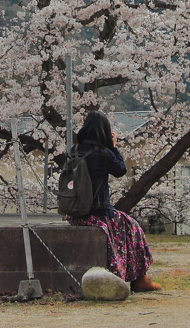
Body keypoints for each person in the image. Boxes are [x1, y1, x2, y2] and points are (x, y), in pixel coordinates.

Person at [66, 111, 160, 291]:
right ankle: (140, 278)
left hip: (76, 213)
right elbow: (120, 170)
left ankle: (138, 277)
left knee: (125, 224)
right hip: (99, 213)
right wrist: (113, 146)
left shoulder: (74, 150)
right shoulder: (103, 152)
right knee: (132, 226)